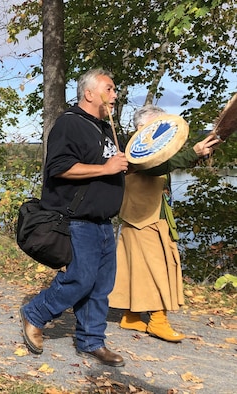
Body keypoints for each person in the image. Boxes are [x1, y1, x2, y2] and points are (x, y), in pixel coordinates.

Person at [19, 69, 128, 367]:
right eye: (110, 88)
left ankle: (91, 341)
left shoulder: (104, 128)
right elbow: (58, 167)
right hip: (77, 218)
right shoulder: (69, 124)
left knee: (101, 285)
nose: (115, 94)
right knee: (80, 279)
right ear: (89, 93)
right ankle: (35, 314)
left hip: (104, 222)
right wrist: (106, 169)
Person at [109, 105, 219, 342]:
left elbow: (166, 162)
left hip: (148, 216)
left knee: (137, 267)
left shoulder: (146, 150)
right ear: (141, 128)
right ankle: (158, 320)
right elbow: (155, 166)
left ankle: (131, 315)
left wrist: (198, 154)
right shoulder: (132, 151)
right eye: (155, 128)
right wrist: (192, 153)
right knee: (159, 267)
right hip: (143, 218)